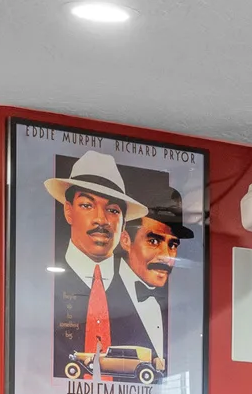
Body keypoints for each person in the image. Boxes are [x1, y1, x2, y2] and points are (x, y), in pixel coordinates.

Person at [43, 151, 149, 376]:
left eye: (112, 210)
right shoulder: (39, 286)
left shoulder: (143, 297)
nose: (101, 219)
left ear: (122, 223)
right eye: (87, 205)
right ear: (68, 211)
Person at [115, 189, 191, 370]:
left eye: (172, 244)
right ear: (125, 240)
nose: (166, 256)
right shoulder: (98, 292)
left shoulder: (185, 308)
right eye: (154, 241)